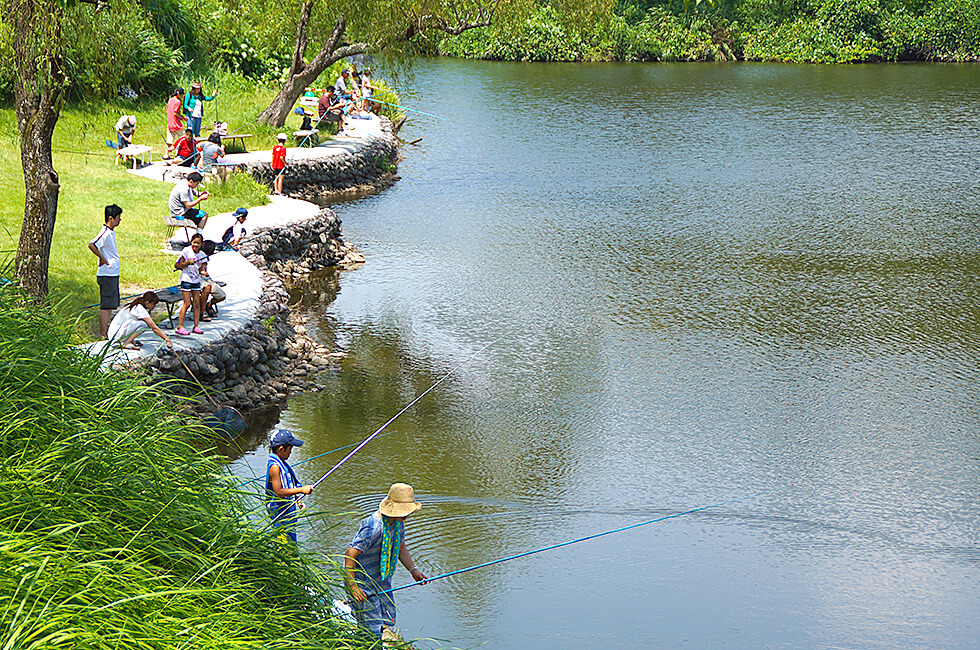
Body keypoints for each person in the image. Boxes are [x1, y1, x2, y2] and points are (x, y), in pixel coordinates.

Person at [344, 483, 428, 640]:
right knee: (371, 628)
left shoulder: (397, 523)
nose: (407, 514)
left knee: (386, 619)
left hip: (381, 582)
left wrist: (413, 570)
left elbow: (400, 546)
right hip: (362, 584)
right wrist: (353, 586)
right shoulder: (374, 526)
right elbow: (350, 553)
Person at [266, 428, 313, 544]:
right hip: (280, 514)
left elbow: (289, 485)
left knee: (291, 542)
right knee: (285, 545)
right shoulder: (275, 467)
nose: (291, 453)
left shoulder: (282, 464)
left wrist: (298, 499)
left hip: (288, 512)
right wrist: (302, 489)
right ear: (281, 449)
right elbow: (279, 491)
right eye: (290, 449)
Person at [88, 204, 123, 338]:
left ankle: (106, 330)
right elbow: (92, 244)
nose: (120, 220)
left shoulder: (110, 232)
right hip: (106, 274)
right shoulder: (104, 232)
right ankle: (103, 333)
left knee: (110, 305)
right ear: (111, 218)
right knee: (105, 305)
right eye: (118, 217)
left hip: (112, 273)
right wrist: (102, 258)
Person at [107, 291, 173, 351]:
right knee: (144, 324)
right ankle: (126, 343)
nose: (154, 306)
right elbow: (154, 327)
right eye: (154, 304)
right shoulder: (140, 309)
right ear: (147, 302)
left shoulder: (134, 305)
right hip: (116, 335)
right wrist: (167, 339)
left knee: (141, 323)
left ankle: (128, 340)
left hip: (114, 333)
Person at [174, 233, 208, 336]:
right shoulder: (186, 251)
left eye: (198, 243)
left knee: (196, 304)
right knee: (187, 303)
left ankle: (196, 326)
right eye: (194, 242)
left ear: (201, 244)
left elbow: (202, 268)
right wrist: (187, 263)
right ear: (191, 242)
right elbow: (177, 265)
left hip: (196, 281)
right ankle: (180, 326)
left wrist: (203, 272)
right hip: (186, 280)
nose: (195, 245)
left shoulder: (202, 255)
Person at [165, 87, 186, 154]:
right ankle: (180, 153)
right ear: (178, 94)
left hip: (170, 124)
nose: (182, 96)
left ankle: (166, 154)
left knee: (169, 141)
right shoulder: (177, 102)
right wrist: (183, 117)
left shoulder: (170, 100)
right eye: (182, 95)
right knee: (183, 138)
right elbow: (175, 112)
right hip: (176, 125)